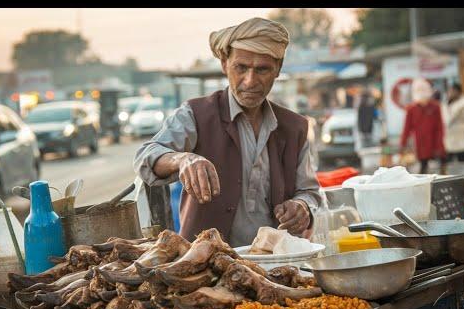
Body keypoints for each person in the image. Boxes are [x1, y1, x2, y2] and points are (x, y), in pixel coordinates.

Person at [133, 17, 322, 246]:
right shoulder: (196, 114)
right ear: (225, 64)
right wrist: (183, 159)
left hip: (277, 264)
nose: (250, 81)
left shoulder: (295, 128)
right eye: (241, 68)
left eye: (262, 70)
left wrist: (302, 207)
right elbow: (146, 155)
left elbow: (310, 193)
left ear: (278, 69)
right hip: (205, 266)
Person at [400, 78, 446, 174]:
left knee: (440, 171)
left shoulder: (435, 107)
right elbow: (407, 128)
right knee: (423, 168)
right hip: (420, 144)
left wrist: (439, 145)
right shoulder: (411, 109)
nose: (423, 101)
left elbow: (440, 127)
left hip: (435, 143)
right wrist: (403, 144)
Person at [441, 83, 464, 162]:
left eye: (452, 91)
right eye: (449, 91)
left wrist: (462, 128)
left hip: (461, 140)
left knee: (463, 165)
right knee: (448, 167)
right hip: (448, 141)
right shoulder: (445, 104)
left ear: (458, 92)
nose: (450, 93)